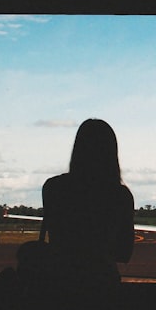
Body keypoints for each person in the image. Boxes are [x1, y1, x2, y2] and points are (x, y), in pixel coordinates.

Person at [34, 119, 134, 291]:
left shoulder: (53, 187)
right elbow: (124, 253)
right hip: (102, 281)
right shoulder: (121, 195)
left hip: (60, 281)